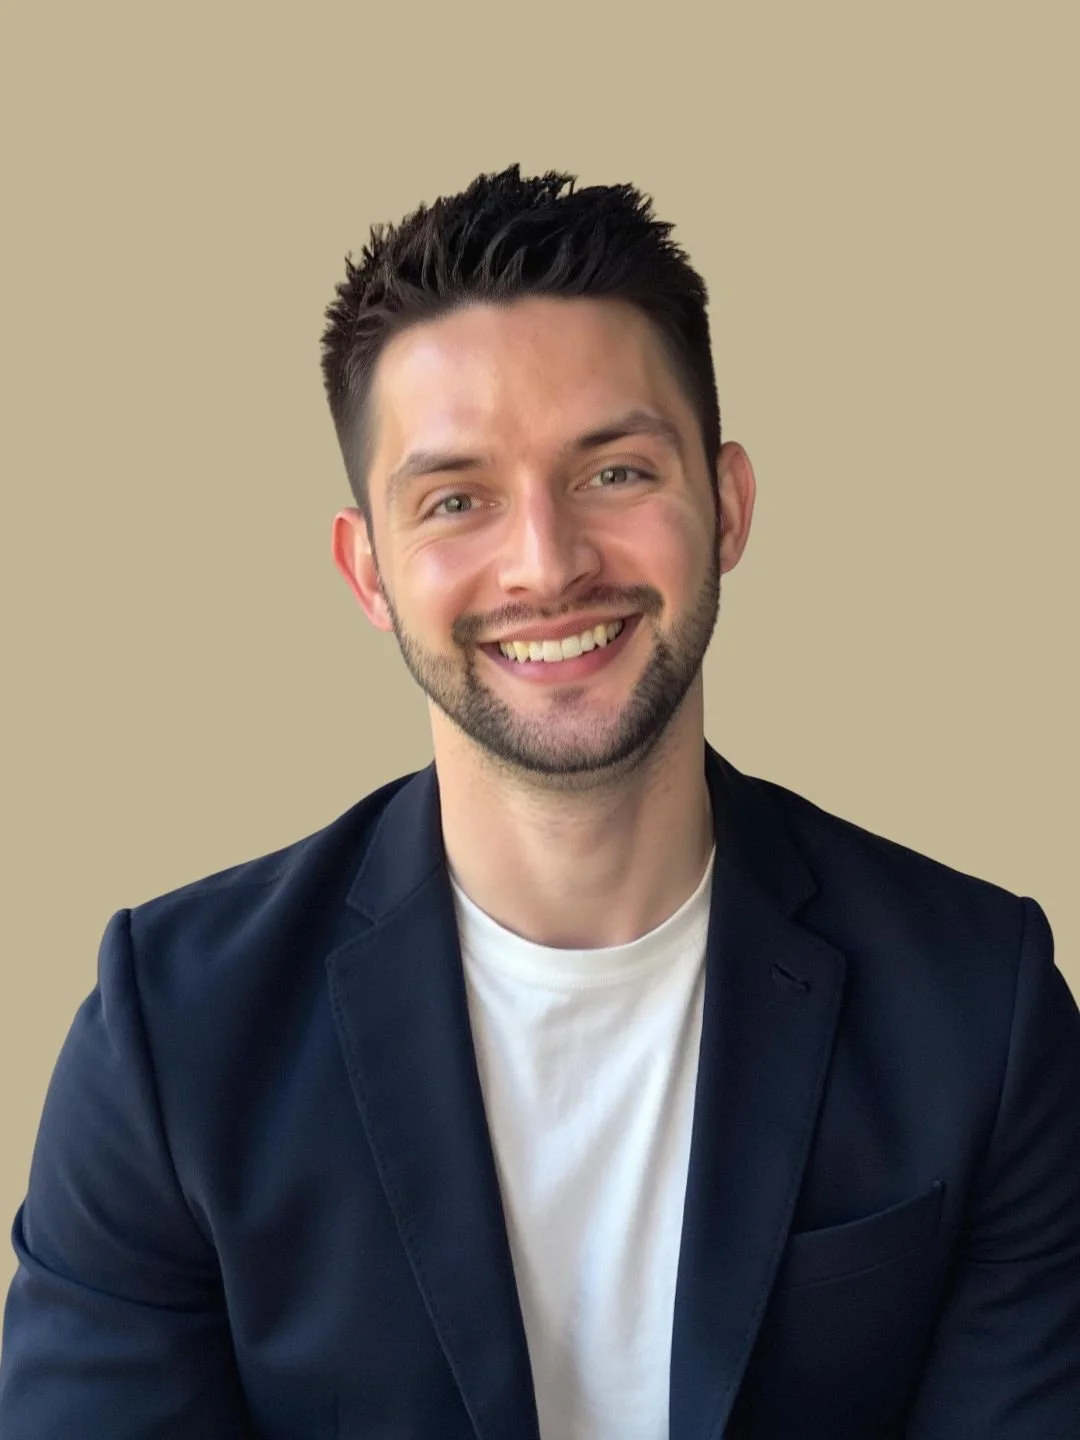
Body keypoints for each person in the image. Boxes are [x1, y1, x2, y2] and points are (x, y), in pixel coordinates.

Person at [1, 164, 1078, 1440]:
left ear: (726, 504)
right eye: (456, 500)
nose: (547, 563)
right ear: (369, 571)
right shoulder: (170, 1037)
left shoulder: (981, 1002)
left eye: (614, 474)